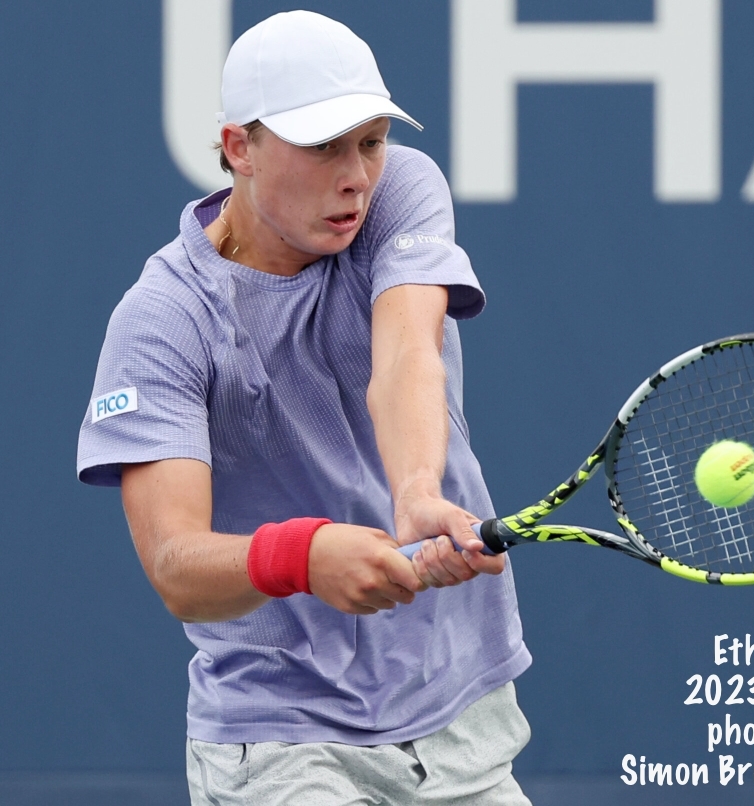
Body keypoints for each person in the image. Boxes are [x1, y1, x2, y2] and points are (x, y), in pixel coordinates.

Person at [77, 10, 532, 805]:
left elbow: (405, 354)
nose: (356, 175)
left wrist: (417, 494)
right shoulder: (161, 321)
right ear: (238, 148)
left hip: (458, 720)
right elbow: (176, 567)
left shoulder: (401, 191)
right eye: (323, 147)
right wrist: (303, 557)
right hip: (280, 742)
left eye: (370, 142)